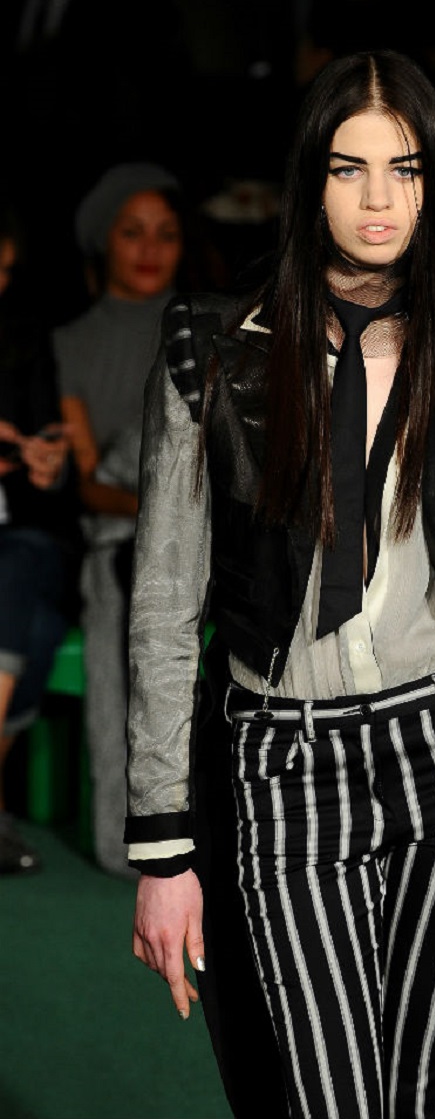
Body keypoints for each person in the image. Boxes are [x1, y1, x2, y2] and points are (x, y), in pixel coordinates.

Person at [125, 49, 435, 1119]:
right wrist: (163, 845)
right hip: (285, 763)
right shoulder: (213, 351)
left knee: (428, 1095)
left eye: (405, 168)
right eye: (350, 168)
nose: (379, 199)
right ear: (310, 178)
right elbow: (163, 608)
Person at [52, 161, 194, 877]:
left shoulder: (201, 327)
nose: (149, 248)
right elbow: (87, 484)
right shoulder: (70, 344)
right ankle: (127, 831)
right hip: (122, 534)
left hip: (203, 529)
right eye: (133, 232)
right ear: (103, 240)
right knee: (122, 589)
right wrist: (153, 507)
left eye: (166, 233)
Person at [0, 195, 80, 873]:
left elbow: (54, 457)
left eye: (2, 270)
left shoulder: (26, 340)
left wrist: (48, 462)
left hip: (23, 537)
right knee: (38, 626)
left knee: (23, 563)